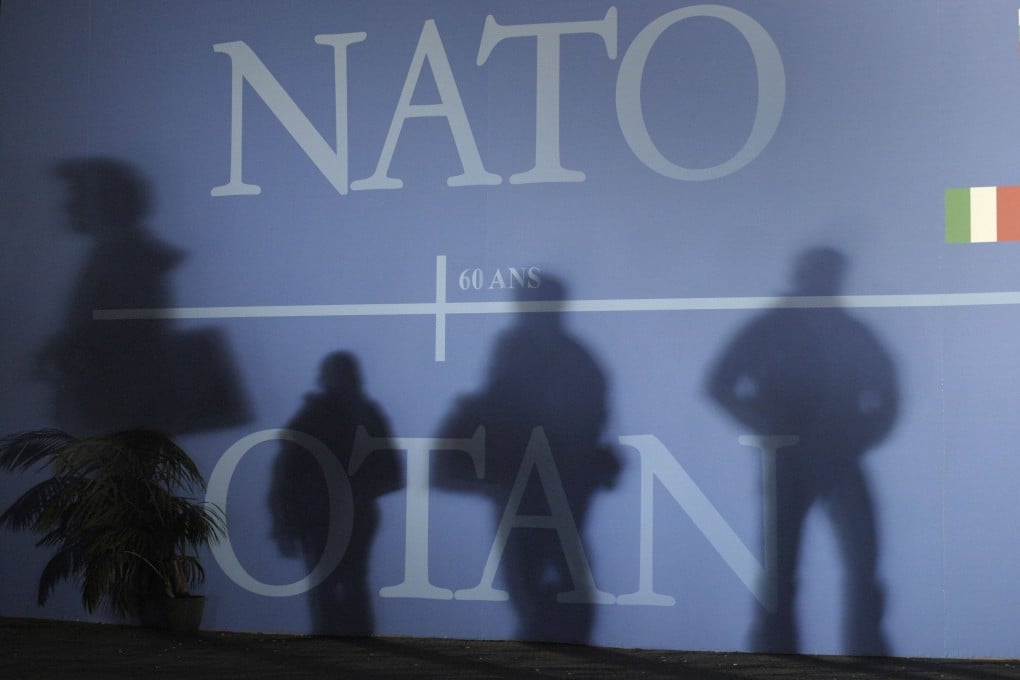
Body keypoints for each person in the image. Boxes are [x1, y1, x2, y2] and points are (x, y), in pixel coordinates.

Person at [706, 247, 897, 655]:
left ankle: (866, 654)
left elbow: (888, 392)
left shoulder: (847, 331)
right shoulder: (774, 328)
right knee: (783, 569)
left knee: (861, 561)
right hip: (792, 457)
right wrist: (766, 425)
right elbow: (720, 384)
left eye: (830, 275)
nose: (826, 282)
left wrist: (862, 434)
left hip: (837, 456)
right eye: (821, 274)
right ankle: (777, 654)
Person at [268, 352, 401, 635]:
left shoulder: (314, 416)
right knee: (346, 582)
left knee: (331, 585)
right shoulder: (364, 414)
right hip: (340, 513)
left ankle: (336, 648)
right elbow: (392, 474)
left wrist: (284, 522)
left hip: (328, 514)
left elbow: (285, 474)